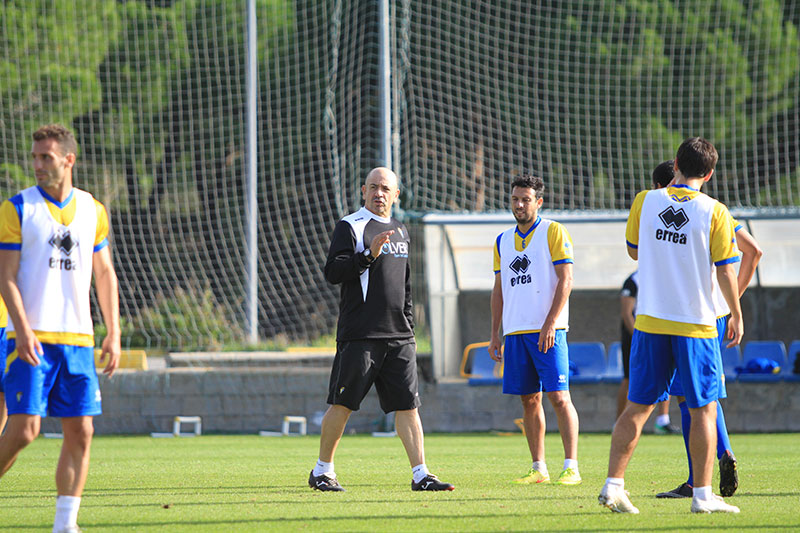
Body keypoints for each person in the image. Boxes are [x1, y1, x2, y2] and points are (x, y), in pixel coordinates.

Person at [598, 137, 743, 514]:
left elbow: (634, 249)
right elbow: (727, 270)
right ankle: (702, 496)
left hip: (650, 320)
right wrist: (737, 314)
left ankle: (614, 485)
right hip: (695, 323)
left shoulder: (645, 200)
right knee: (703, 409)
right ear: (708, 174)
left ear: (675, 162)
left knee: (638, 407)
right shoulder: (716, 211)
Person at [0, 124, 121, 533]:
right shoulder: (18, 208)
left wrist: (113, 331)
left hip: (78, 341)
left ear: (68, 159)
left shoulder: (93, 210)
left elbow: (105, 273)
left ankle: (65, 526)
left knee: (82, 430)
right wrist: (23, 328)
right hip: (31, 339)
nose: (37, 164)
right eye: (34, 157)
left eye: (45, 157)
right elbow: (7, 276)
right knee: (24, 431)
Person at [308, 167, 453, 492]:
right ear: (363, 190)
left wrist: (410, 329)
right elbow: (333, 272)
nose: (379, 193)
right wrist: (367, 255)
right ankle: (322, 471)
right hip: (361, 335)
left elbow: (404, 286)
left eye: (385, 188)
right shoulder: (351, 226)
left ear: (396, 194)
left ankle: (421, 475)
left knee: (408, 406)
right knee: (342, 405)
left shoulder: (401, 229)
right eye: (373, 187)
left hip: (399, 337)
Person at [655, 164, 763, 500]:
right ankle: (722, 455)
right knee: (703, 393)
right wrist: (730, 304)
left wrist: (730, 304)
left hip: (689, 315)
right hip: (713, 313)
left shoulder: (670, 210)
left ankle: (697, 477)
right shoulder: (715, 212)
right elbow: (754, 251)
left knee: (690, 398)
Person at [488, 174, 582, 486]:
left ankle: (571, 466)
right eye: (515, 198)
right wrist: (495, 334)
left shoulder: (553, 231)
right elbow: (499, 289)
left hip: (549, 331)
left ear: (538, 202)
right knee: (529, 400)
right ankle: (538, 467)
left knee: (559, 396)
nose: (519, 204)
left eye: (525, 199)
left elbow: (566, 279)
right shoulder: (502, 240)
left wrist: (551, 322)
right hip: (515, 333)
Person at [615, 163, 684, 434]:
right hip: (654, 326)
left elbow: (633, 249)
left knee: (668, 383)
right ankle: (621, 421)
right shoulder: (635, 279)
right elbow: (625, 310)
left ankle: (662, 421)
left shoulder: (648, 202)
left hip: (663, 323)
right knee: (631, 380)